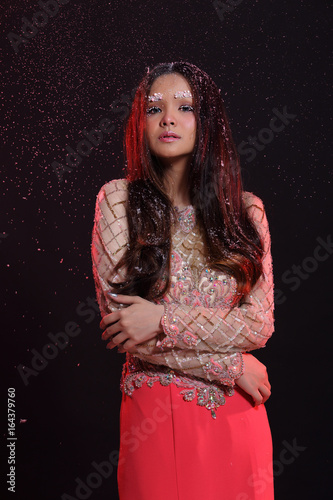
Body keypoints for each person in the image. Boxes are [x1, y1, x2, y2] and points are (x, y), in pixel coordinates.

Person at [91, 61, 275, 500]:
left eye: (184, 107)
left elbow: (259, 325)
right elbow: (125, 328)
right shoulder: (118, 200)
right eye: (154, 109)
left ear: (207, 123)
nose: (168, 118)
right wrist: (230, 366)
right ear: (141, 123)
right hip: (156, 420)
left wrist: (161, 319)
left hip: (237, 420)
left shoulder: (248, 212)